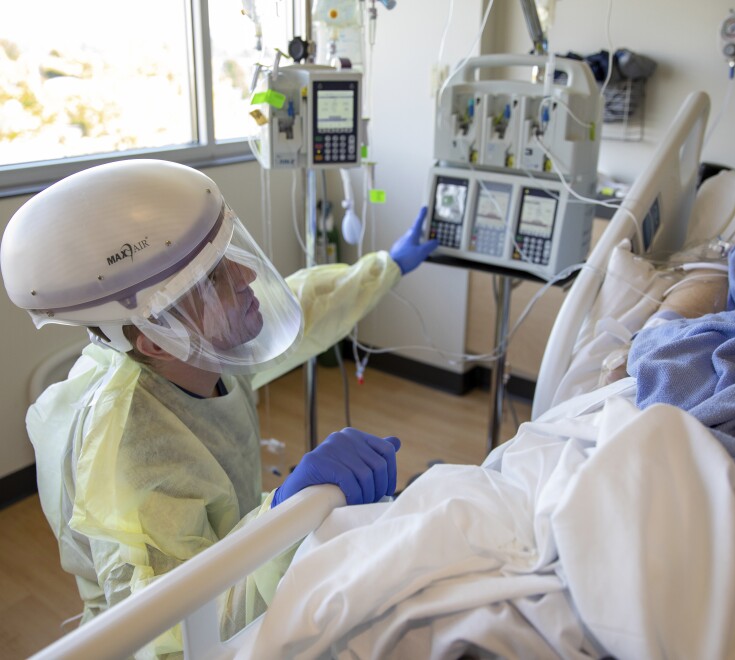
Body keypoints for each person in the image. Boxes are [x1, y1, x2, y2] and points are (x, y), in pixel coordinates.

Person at [0, 158, 437, 655]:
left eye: (225, 254)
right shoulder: (133, 457)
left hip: (243, 576)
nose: (247, 273)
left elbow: (303, 308)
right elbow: (180, 627)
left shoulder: (199, 350)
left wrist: (388, 265)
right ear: (157, 341)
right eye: (212, 279)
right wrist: (282, 513)